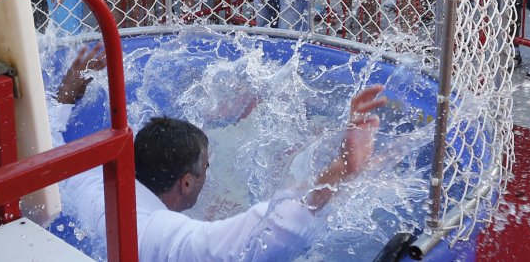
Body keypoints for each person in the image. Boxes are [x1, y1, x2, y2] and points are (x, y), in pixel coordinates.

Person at [61, 56, 389, 262]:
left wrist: (64, 96)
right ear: (186, 183)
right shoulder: (161, 237)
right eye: (205, 168)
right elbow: (264, 237)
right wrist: (344, 169)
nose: (208, 174)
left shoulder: (88, 184)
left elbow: (45, 151)